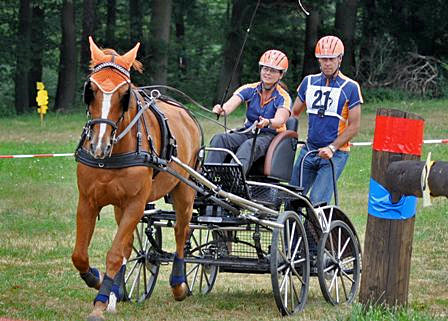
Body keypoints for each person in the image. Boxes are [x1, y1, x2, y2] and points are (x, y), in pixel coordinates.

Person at [289, 35, 362, 205]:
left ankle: (319, 231)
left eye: (331, 59)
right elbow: (294, 113)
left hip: (335, 153)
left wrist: (332, 147)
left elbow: (354, 126)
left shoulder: (350, 87)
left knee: (317, 202)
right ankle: (295, 231)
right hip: (309, 150)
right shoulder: (309, 82)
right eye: (323, 59)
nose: (327, 63)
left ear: (340, 59)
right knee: (292, 198)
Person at [206, 49, 292, 176]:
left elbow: (280, 119)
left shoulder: (283, 97)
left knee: (248, 146)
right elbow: (229, 105)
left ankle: (234, 180)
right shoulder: (249, 89)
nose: (267, 73)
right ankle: (208, 176)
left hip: (269, 136)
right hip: (249, 132)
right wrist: (221, 109)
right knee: (220, 139)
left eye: (273, 70)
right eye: (265, 69)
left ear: (281, 75)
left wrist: (268, 122)